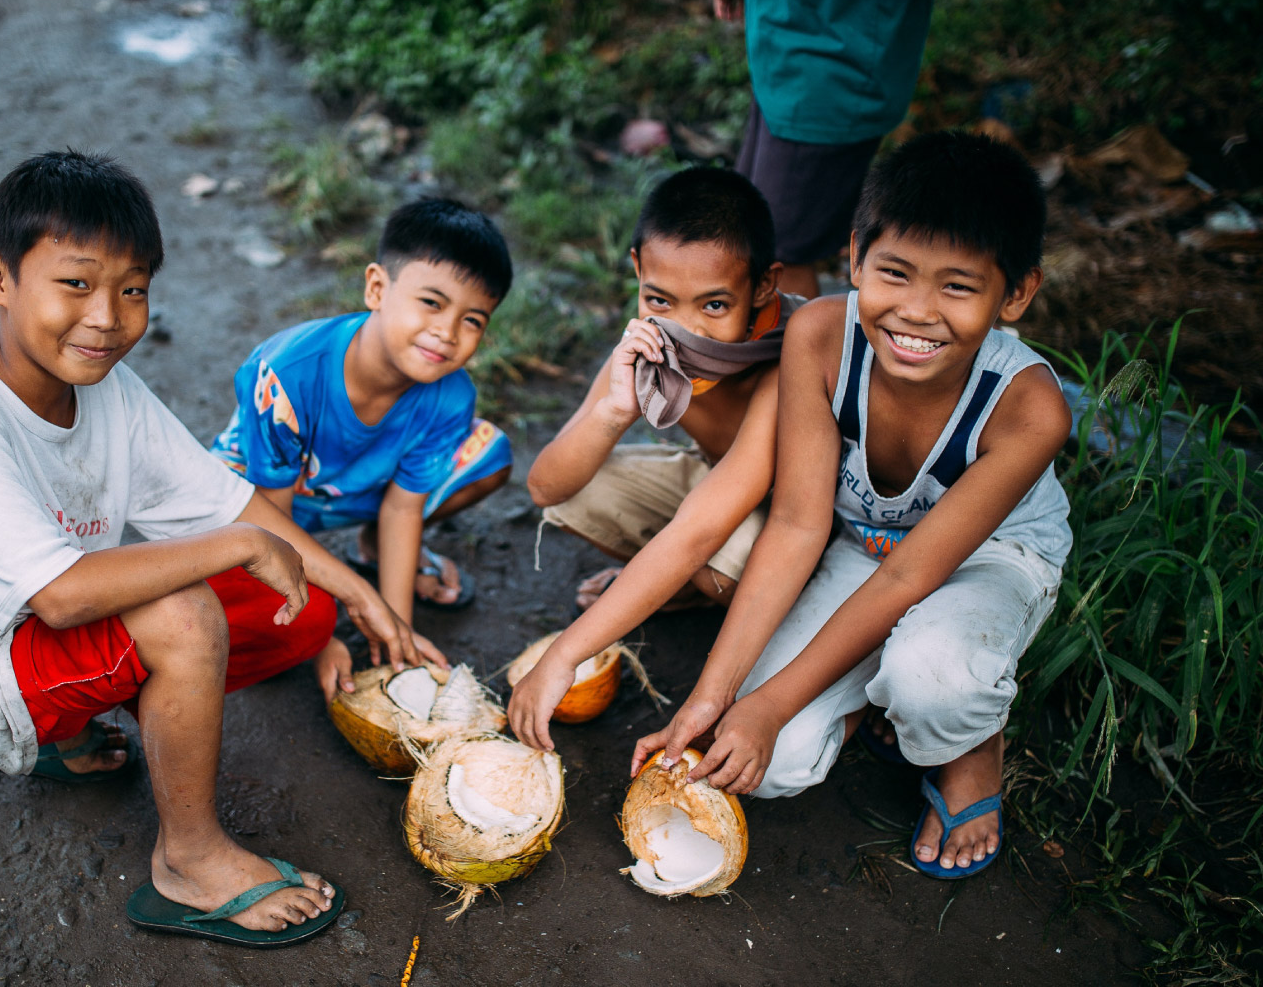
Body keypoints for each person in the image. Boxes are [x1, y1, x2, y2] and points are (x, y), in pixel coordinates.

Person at [0, 150, 423, 947]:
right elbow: (62, 595)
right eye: (76, 284)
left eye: (132, 290)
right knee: (185, 613)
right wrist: (241, 543)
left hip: (50, 626)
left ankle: (83, 724)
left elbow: (235, 504)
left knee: (302, 608)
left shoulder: (104, 387)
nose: (107, 316)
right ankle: (187, 862)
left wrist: (363, 597)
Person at [627, 131, 1071, 879]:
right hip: (863, 544)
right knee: (760, 768)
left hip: (990, 560)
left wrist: (766, 704)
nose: (918, 312)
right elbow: (801, 525)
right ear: (857, 254)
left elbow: (910, 580)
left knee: (934, 677)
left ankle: (970, 746)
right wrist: (715, 696)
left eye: (958, 287)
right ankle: (871, 689)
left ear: (1015, 294)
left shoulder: (1030, 410)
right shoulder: (821, 336)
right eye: (894, 273)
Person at [509, 167, 805, 745]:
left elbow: (702, 528)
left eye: (715, 304)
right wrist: (614, 412)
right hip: (714, 488)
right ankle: (664, 587)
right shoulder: (650, 343)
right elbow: (546, 487)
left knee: (717, 549)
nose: (686, 328)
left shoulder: (796, 349)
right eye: (660, 299)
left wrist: (565, 654)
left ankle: (684, 594)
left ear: (765, 288)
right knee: (585, 483)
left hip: (793, 524)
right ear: (638, 269)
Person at [210, 197, 513, 633]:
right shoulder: (288, 374)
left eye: (472, 320)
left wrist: (397, 630)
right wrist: (321, 630)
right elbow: (272, 524)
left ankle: (370, 548)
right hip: (260, 500)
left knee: (487, 453)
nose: (446, 332)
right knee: (220, 584)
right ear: (376, 289)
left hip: (354, 496)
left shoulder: (452, 395)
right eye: (432, 302)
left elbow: (403, 511)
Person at [713, 0, 934, 298]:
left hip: (832, 67)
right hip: (784, 52)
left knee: (778, 254)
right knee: (745, 227)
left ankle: (796, 347)